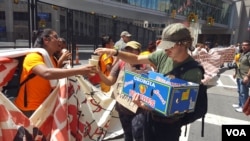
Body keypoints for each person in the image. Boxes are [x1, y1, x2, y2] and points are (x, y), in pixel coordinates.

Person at [94, 23, 203, 141]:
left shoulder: (193, 71)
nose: (166, 50)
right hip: (149, 119)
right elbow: (136, 59)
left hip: (169, 126)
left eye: (170, 46)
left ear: (183, 44)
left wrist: (149, 106)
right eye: (164, 46)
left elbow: (183, 106)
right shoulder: (162, 55)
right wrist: (115, 53)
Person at [14, 28, 96, 117]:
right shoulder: (33, 56)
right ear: (46, 40)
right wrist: (79, 70)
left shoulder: (52, 59)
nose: (59, 40)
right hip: (30, 109)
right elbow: (46, 73)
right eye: (56, 37)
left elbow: (56, 74)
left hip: (46, 106)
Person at [97, 41, 152, 141]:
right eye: (127, 49)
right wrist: (99, 72)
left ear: (138, 52)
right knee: (127, 135)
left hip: (138, 109)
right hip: (122, 107)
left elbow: (150, 87)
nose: (129, 52)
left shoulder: (146, 66)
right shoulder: (121, 63)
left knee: (138, 133)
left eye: (133, 50)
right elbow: (109, 81)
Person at [232, 40, 250, 113]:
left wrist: (248, 76)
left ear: (249, 46)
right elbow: (238, 64)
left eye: (246, 45)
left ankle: (243, 107)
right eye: (243, 45)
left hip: (244, 76)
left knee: (244, 92)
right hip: (239, 75)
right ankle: (240, 104)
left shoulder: (249, 54)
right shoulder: (242, 54)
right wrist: (235, 73)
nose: (244, 46)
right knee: (240, 91)